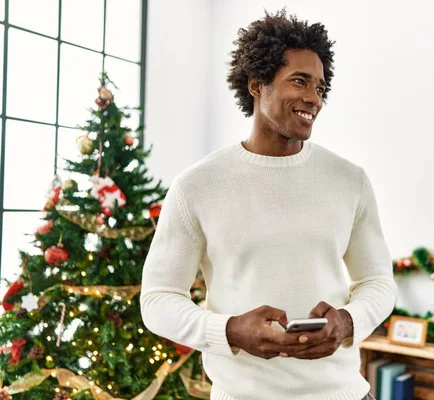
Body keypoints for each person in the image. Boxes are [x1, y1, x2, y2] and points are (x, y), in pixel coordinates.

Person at [140, 8, 396, 400]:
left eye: (321, 88)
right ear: (257, 84)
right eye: (300, 81)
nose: (314, 99)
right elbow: (157, 299)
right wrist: (228, 331)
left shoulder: (350, 180)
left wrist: (348, 321)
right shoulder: (197, 185)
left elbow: (378, 282)